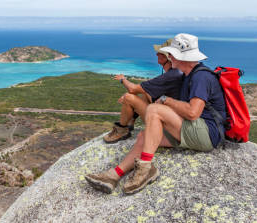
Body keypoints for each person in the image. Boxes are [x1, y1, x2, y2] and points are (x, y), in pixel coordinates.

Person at [85, 33, 226, 195]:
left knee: (154, 109)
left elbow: (193, 113)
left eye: (172, 55)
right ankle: (113, 175)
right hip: (194, 129)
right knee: (144, 137)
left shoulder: (201, 76)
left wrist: (166, 100)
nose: (170, 58)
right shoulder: (189, 75)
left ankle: (145, 168)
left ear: (180, 57)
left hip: (207, 133)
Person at [103, 40, 183, 144]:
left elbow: (132, 89)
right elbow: (147, 86)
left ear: (168, 57)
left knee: (128, 97)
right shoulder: (176, 72)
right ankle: (131, 122)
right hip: (171, 119)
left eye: (160, 53)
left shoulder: (171, 75)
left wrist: (123, 79)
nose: (156, 54)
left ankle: (121, 130)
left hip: (166, 125)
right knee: (145, 92)